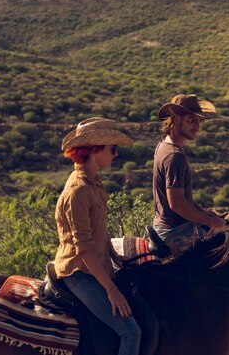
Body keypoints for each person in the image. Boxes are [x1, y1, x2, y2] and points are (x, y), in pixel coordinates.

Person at [53, 117, 141, 355]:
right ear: (95, 150)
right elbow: (84, 249)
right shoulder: (78, 191)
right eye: (113, 149)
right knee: (131, 332)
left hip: (95, 267)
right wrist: (111, 290)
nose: (115, 155)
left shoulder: (94, 183)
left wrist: (116, 256)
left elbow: (99, 232)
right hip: (79, 273)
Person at [152, 94, 226, 252]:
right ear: (176, 119)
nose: (197, 126)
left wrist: (204, 214)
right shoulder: (175, 156)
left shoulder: (163, 145)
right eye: (192, 120)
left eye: (199, 121)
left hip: (167, 225)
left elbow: (184, 199)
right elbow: (177, 204)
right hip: (174, 231)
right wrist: (210, 222)